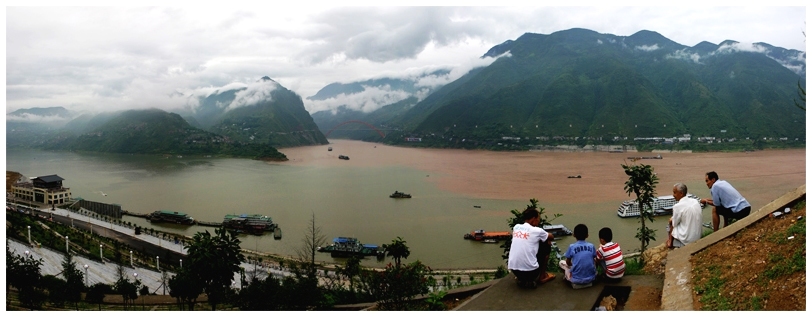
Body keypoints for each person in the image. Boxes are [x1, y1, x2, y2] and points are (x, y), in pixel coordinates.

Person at [507, 206, 556, 288]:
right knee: (547, 242)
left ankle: (521, 278)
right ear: (534, 218)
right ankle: (542, 276)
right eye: (538, 219)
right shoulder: (537, 230)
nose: (539, 221)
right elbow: (551, 237)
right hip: (531, 272)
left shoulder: (516, 227)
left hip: (515, 270)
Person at [667, 183, 703, 248]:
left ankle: (670, 242)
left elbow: (674, 224)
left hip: (687, 239)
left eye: (674, 193)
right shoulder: (695, 201)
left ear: (681, 193)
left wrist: (671, 220)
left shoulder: (677, 206)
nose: (673, 195)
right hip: (697, 236)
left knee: (671, 223)